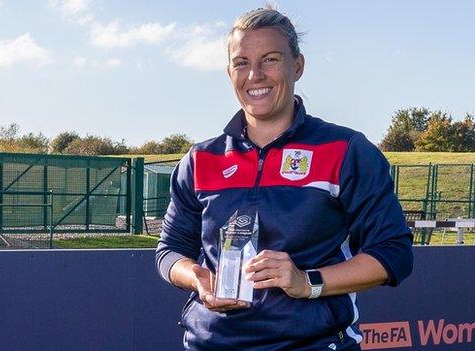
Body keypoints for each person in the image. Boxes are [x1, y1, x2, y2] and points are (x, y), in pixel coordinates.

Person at [155, 6, 413, 351]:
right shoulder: (201, 159)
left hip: (313, 344)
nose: (255, 75)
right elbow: (169, 252)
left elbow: (393, 253)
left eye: (271, 59)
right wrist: (197, 277)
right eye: (241, 62)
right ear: (230, 72)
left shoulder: (346, 149)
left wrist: (308, 282)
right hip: (210, 343)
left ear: (298, 66)